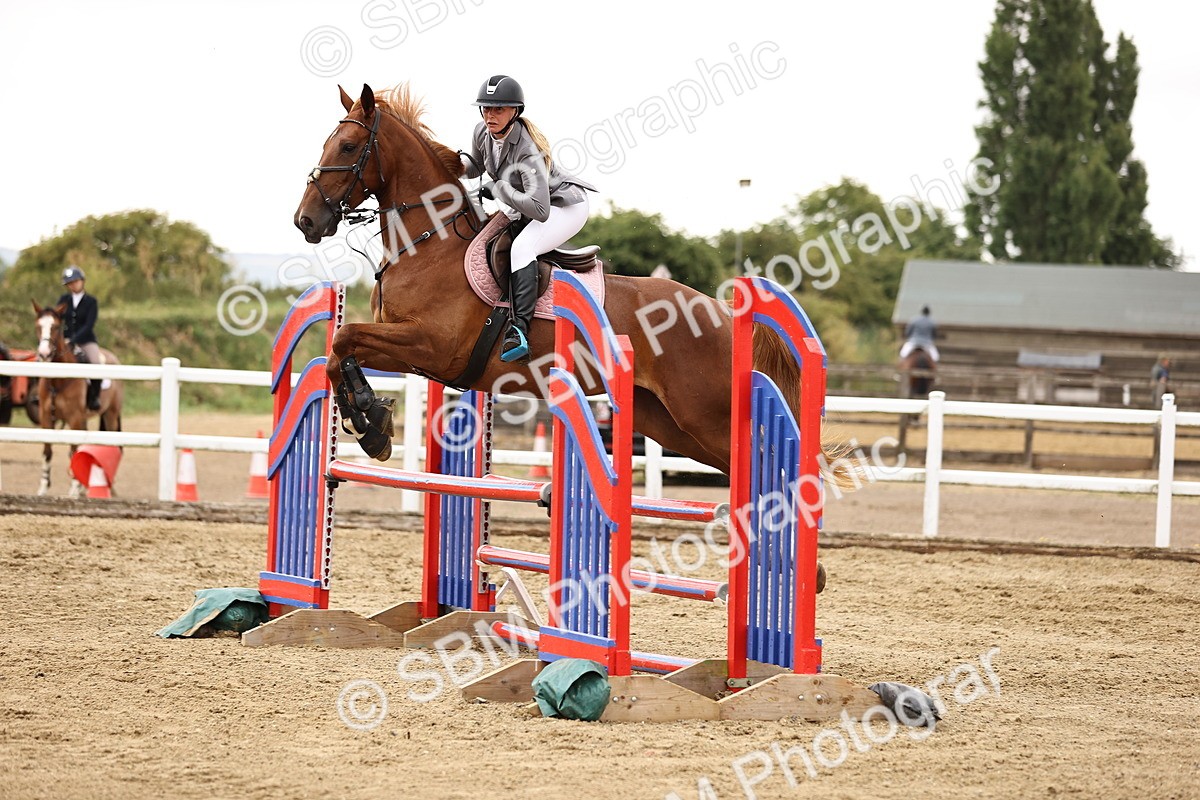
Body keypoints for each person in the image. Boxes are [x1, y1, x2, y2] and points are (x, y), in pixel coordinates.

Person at [461, 75, 597, 363]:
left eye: (498, 109)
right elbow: (475, 165)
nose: (490, 115)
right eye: (486, 108)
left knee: (523, 247)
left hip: (566, 207)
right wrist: (446, 162)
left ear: (515, 112)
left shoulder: (527, 150)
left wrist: (500, 189)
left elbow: (540, 209)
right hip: (531, 204)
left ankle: (519, 331)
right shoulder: (482, 132)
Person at [56, 265, 102, 410]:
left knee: (95, 363)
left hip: (86, 341)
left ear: (82, 281)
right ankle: (42, 394)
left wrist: (73, 340)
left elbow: (89, 325)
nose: (73, 285)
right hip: (65, 341)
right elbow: (56, 317)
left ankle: (94, 397)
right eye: (70, 283)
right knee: (46, 359)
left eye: (75, 281)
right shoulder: (64, 299)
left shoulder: (91, 302)